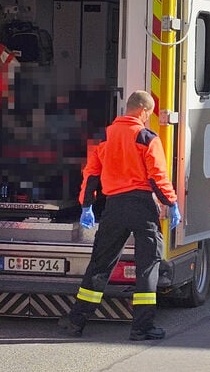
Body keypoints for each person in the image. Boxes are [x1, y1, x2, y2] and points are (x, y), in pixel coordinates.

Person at [59, 90, 181, 340]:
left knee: (100, 264)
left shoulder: (104, 136)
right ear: (143, 111)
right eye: (149, 113)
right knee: (148, 266)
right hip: (142, 206)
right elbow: (157, 176)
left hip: (113, 206)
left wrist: (86, 205)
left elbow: (91, 174)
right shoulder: (147, 137)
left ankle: (76, 322)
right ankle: (141, 328)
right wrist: (172, 202)